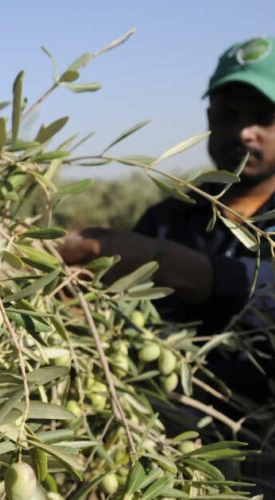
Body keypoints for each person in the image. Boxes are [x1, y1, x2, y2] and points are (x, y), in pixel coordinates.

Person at [59, 35, 275, 491]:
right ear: (208, 119)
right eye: (229, 114)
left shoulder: (154, 239)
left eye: (262, 117)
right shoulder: (167, 219)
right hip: (167, 459)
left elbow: (260, 291)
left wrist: (145, 258)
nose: (244, 131)